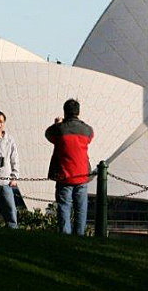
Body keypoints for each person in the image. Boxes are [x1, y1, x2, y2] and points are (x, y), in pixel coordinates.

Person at [46, 99, 94, 236]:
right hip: (82, 175)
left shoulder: (59, 129)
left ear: (65, 111)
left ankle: (65, 234)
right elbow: (91, 136)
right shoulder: (87, 130)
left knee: (64, 207)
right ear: (78, 112)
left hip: (64, 175)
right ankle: (80, 234)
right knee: (81, 208)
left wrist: (57, 124)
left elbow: (48, 134)